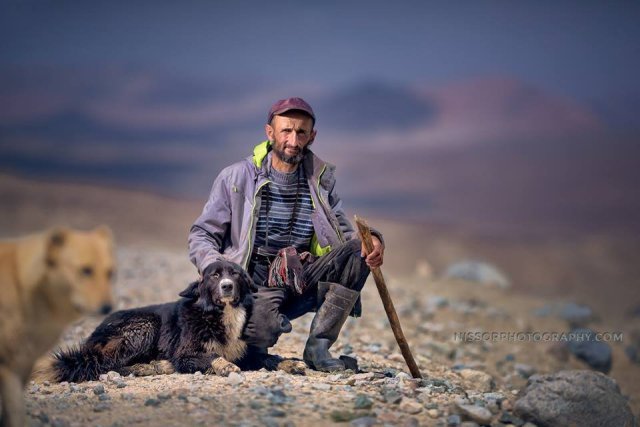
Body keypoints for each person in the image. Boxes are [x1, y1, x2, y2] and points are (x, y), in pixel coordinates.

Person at [188, 97, 384, 372]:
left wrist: (371, 241)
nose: (293, 139)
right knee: (255, 341)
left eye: (301, 132)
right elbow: (201, 234)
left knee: (357, 250)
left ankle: (318, 349)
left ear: (312, 136)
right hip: (254, 282)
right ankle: (264, 326)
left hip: (305, 276)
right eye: (286, 131)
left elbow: (344, 235)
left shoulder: (320, 180)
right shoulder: (235, 177)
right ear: (270, 133)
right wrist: (216, 270)